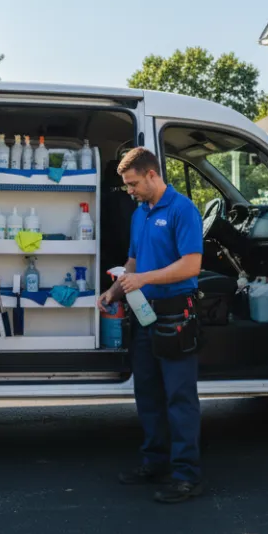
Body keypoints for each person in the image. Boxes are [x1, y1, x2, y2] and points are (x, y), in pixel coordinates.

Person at [97, 147, 204, 504]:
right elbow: (133, 259)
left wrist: (143, 279)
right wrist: (114, 290)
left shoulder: (182, 210)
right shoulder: (139, 213)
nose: (129, 191)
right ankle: (154, 463)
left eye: (133, 184)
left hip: (176, 316)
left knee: (179, 397)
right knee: (148, 394)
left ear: (152, 175)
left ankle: (186, 475)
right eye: (127, 185)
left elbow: (191, 266)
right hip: (144, 316)